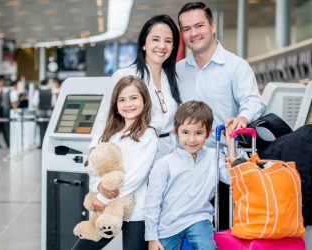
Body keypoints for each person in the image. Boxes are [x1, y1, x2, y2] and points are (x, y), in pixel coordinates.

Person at [72, 75, 159, 250]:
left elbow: (136, 176)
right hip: (106, 211)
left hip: (136, 213)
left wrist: (103, 197)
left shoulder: (149, 135)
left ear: (144, 101)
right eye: (122, 100)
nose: (128, 104)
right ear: (115, 105)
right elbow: (97, 167)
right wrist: (99, 190)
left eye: (134, 98)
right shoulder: (109, 133)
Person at [91, 14, 181, 159]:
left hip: (170, 155)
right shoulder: (125, 75)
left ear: (173, 46)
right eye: (155, 39)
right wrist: (94, 150)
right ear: (144, 43)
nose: (162, 46)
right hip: (137, 154)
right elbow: (104, 119)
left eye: (168, 41)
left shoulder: (173, 77)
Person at [176, 2, 265, 148]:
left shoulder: (236, 66)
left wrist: (242, 118)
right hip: (185, 159)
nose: (193, 33)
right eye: (186, 29)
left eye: (199, 26)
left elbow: (253, 101)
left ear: (213, 26)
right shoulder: (178, 71)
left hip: (223, 157)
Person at [145, 101, 231, 250]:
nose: (191, 139)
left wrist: (230, 145)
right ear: (176, 131)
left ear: (209, 133)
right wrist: (152, 238)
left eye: (199, 133)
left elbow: (231, 179)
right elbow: (152, 203)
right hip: (168, 224)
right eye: (185, 132)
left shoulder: (214, 156)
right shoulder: (164, 164)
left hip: (198, 218)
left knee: (208, 247)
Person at [32, 78, 53, 149]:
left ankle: (42, 144)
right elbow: (54, 102)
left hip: (40, 111)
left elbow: (34, 102)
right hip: (49, 111)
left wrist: (35, 112)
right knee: (48, 129)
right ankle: (48, 145)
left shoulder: (38, 91)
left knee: (41, 128)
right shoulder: (51, 91)